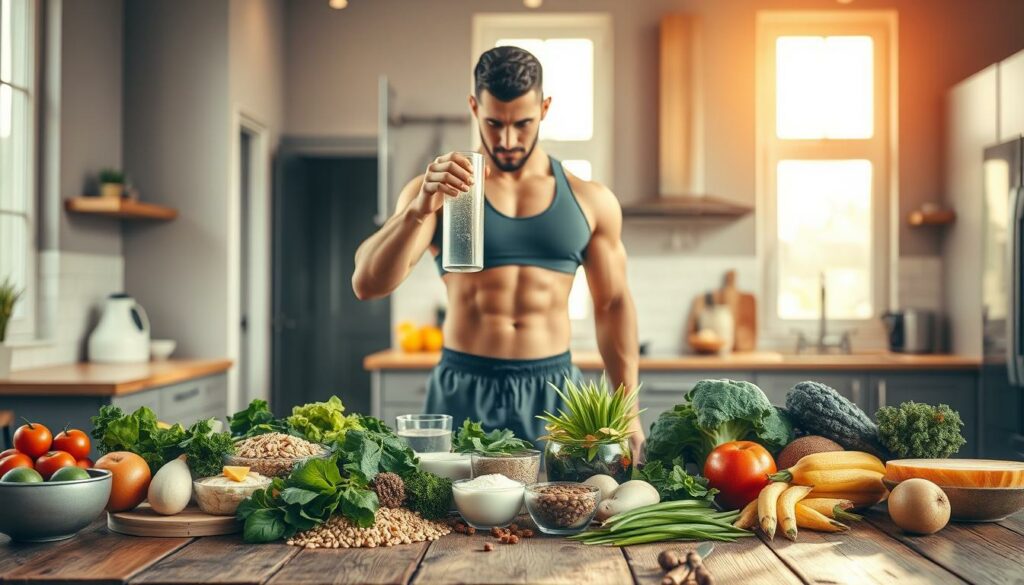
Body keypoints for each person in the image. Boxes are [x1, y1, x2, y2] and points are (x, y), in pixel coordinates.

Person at [352, 46, 642, 454]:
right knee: (446, 515)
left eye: (522, 123)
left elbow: (612, 305)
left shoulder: (590, 199)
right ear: (474, 107)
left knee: (559, 511)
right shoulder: (443, 192)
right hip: (463, 385)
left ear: (544, 108)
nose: (507, 140)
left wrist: (628, 411)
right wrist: (419, 209)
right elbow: (367, 283)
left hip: (554, 391)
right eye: (493, 123)